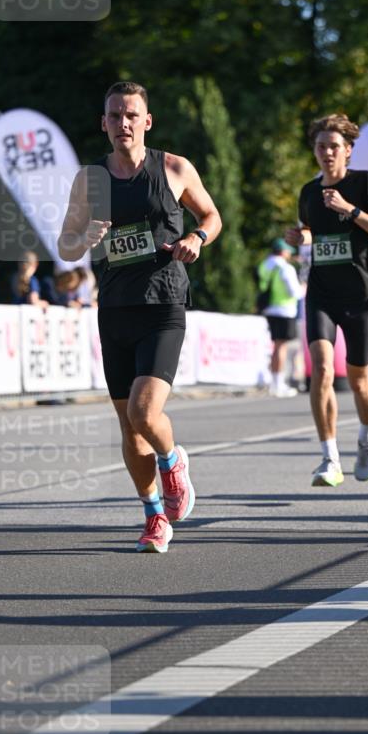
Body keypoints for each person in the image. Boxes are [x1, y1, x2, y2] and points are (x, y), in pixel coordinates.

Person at [59, 81, 222, 552]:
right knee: (129, 429)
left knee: (143, 411)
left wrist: (196, 239)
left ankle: (172, 462)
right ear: (103, 123)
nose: (123, 123)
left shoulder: (173, 168)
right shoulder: (89, 179)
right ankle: (154, 515)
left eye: (131, 115)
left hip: (164, 303)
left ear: (146, 121)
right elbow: (64, 245)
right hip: (114, 308)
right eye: (114, 115)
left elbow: (212, 217)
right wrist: (84, 238)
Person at [285, 114, 368, 487]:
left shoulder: (364, 183)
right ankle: (329, 458)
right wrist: (303, 238)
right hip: (321, 293)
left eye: (334, 147)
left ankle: (367, 435)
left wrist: (350, 210)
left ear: (348, 150)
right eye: (320, 147)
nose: (327, 153)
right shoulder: (309, 192)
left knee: (360, 381)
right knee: (323, 370)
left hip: (360, 294)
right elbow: (313, 232)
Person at [258, 237, 304, 397]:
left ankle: (274, 383)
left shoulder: (264, 265)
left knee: (276, 346)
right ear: (283, 251)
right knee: (281, 347)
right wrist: (303, 288)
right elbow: (295, 293)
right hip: (284, 309)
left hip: (269, 309)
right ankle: (278, 384)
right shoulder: (285, 268)